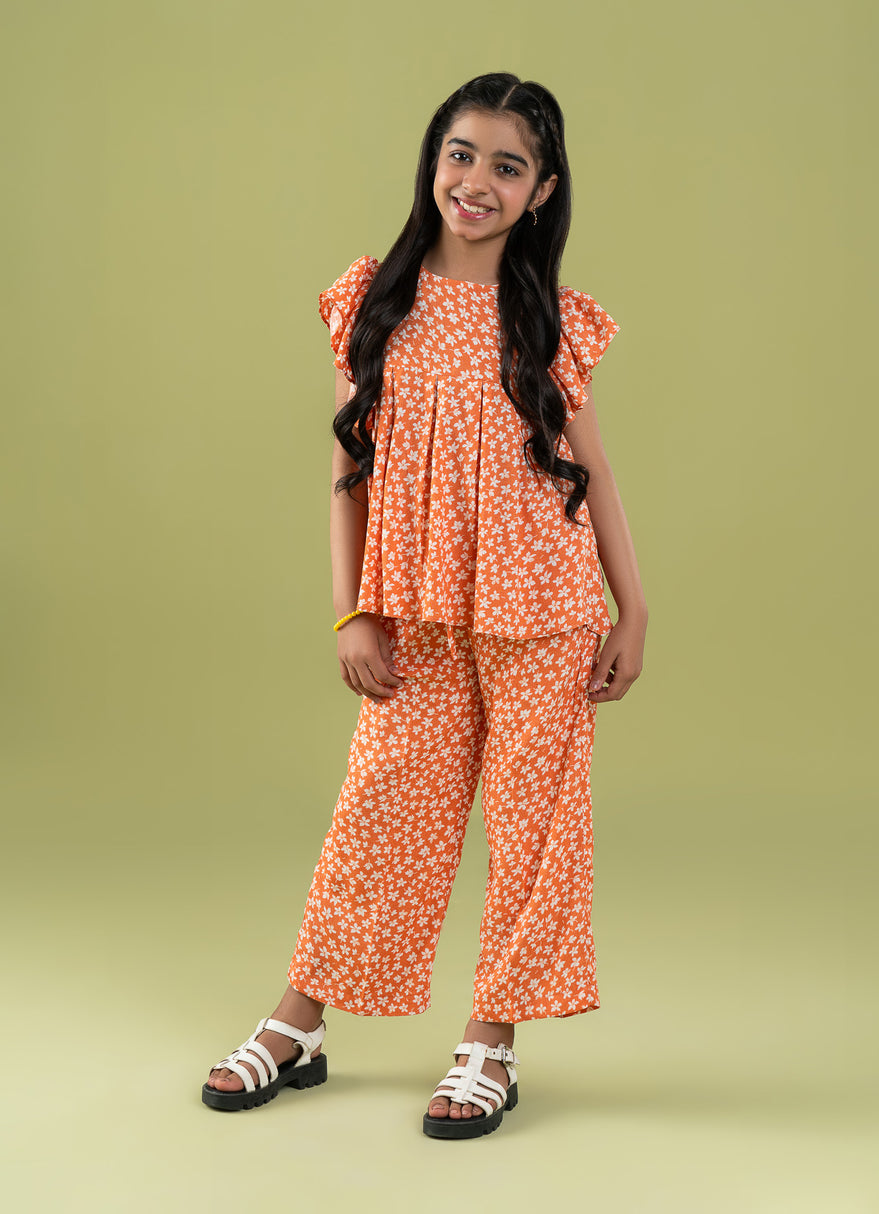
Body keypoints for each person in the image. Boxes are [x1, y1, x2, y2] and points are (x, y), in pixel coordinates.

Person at [201, 71, 648, 1140]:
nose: (477, 180)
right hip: (418, 605)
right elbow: (347, 472)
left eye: (508, 165)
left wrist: (632, 611)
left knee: (534, 827)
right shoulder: (373, 301)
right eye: (461, 153)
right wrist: (351, 610)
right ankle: (300, 1020)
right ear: (433, 160)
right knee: (382, 805)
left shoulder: (553, 322)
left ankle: (491, 1039)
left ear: (541, 191)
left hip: (545, 607)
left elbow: (595, 473)